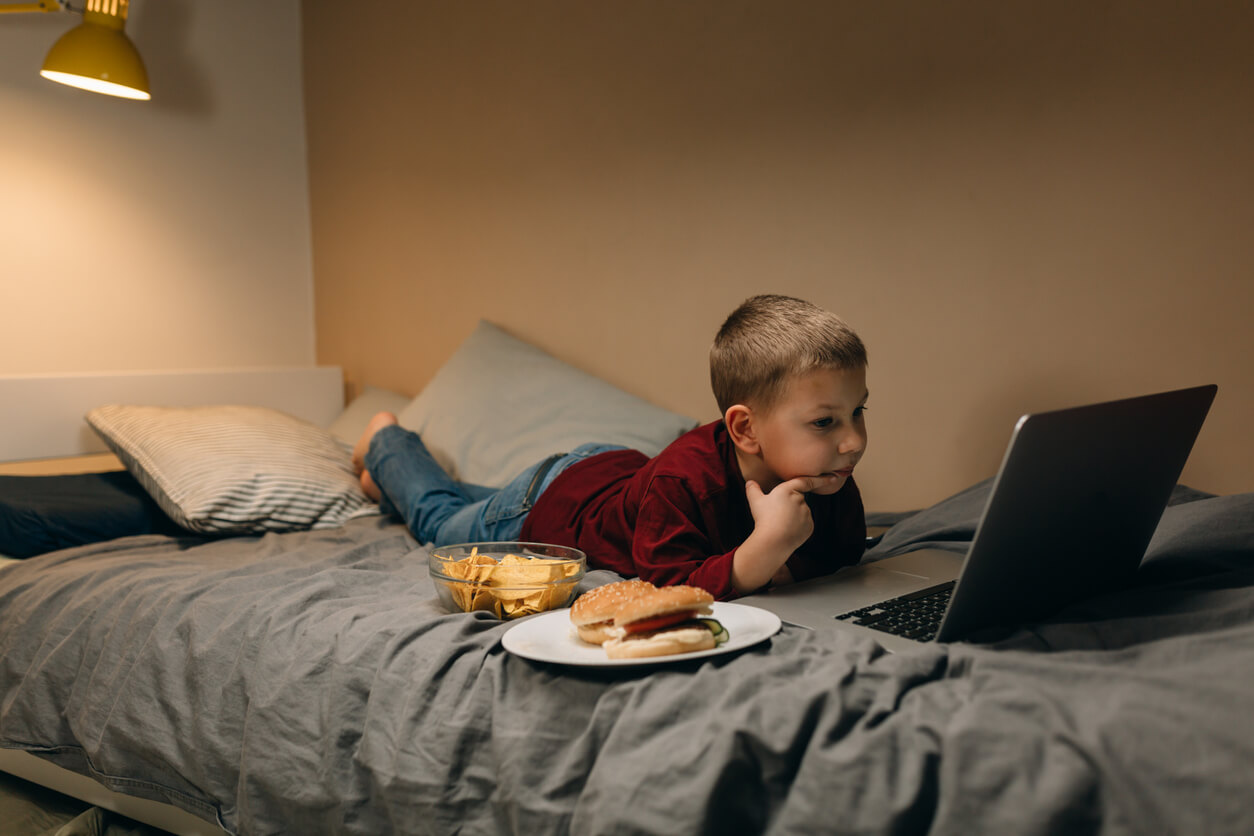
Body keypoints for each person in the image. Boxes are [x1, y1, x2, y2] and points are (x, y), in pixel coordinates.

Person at [354, 294, 868, 599]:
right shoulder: (683, 483)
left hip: (613, 476)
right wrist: (764, 551)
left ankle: (386, 484)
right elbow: (669, 587)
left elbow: (842, 553)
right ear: (745, 430)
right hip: (554, 502)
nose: (853, 441)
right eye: (826, 422)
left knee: (480, 504)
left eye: (858, 412)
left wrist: (789, 560)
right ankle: (386, 442)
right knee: (443, 525)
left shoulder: (827, 472)